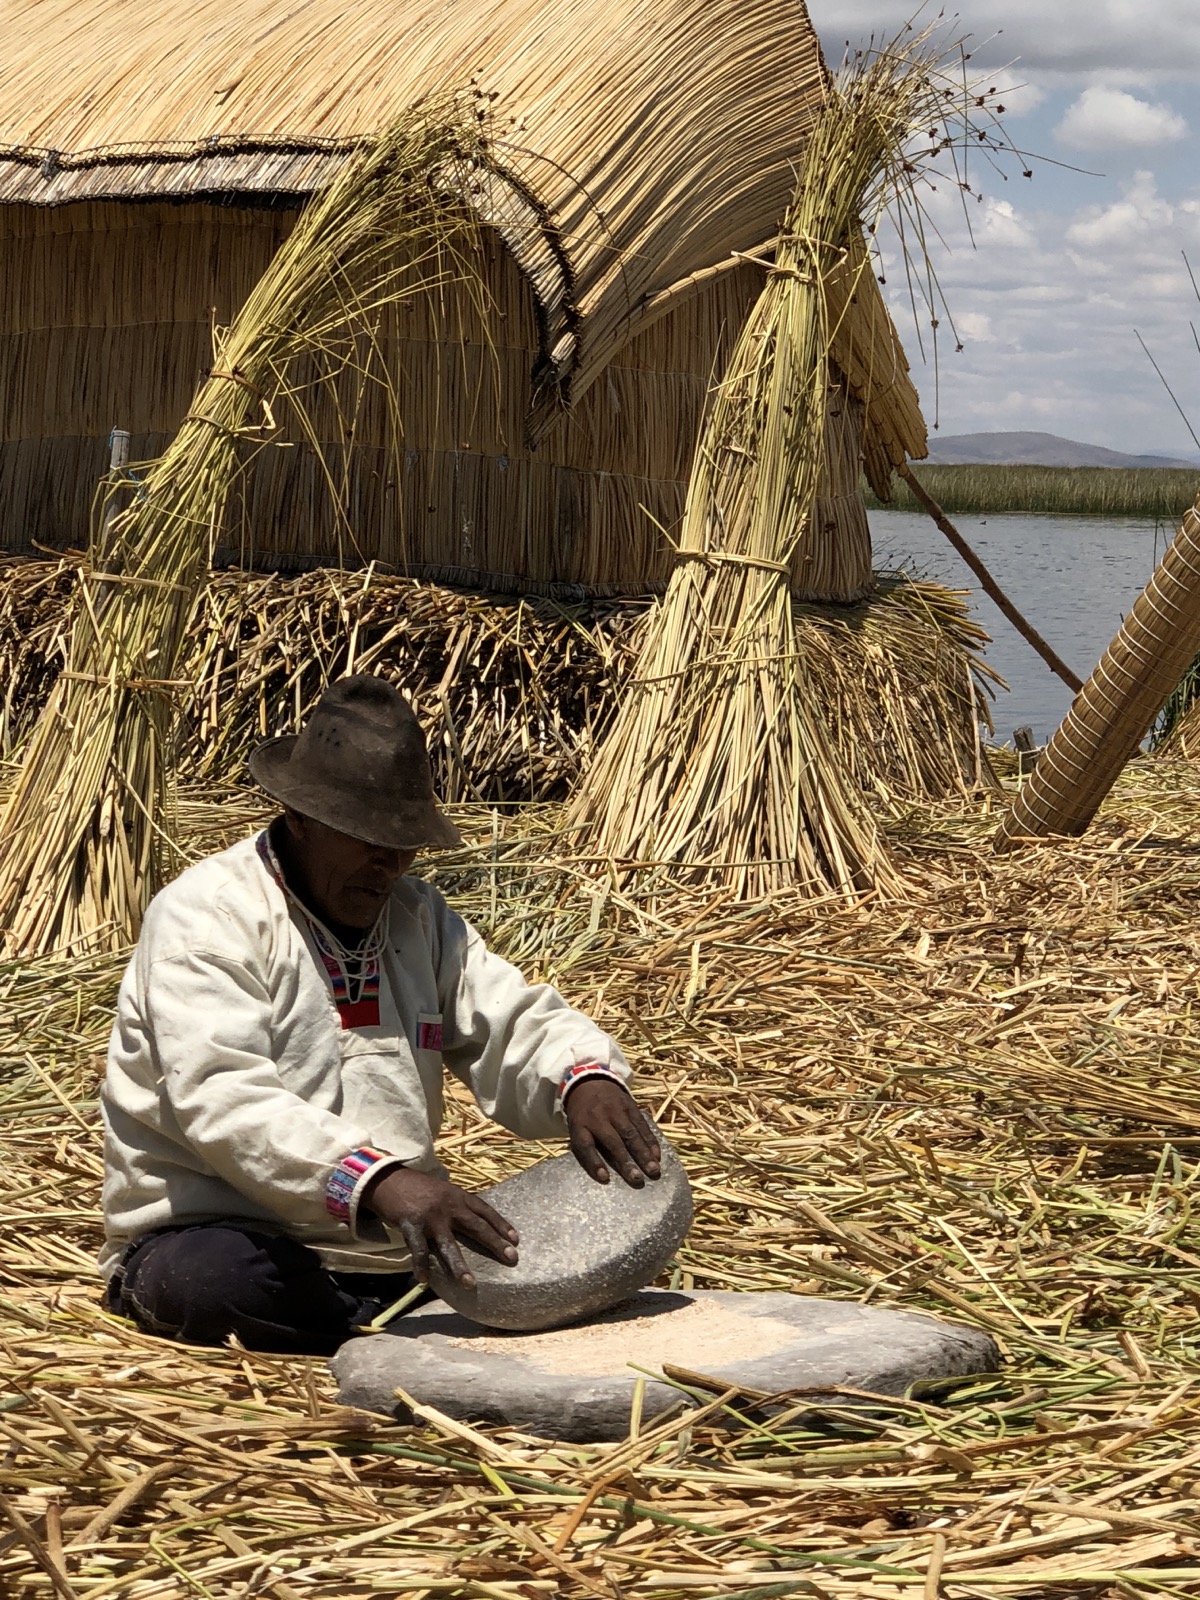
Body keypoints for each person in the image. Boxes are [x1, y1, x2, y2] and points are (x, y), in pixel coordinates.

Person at [101, 675, 660, 1355]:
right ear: (300, 819)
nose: (390, 863)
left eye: (404, 842)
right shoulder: (208, 920)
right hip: (228, 1230)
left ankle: (398, 1315)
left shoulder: (419, 920)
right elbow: (224, 1099)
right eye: (367, 839)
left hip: (393, 1247)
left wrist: (582, 1078)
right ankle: (409, 1326)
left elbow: (507, 1012)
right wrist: (383, 1180)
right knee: (209, 1285)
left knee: (567, 1256)